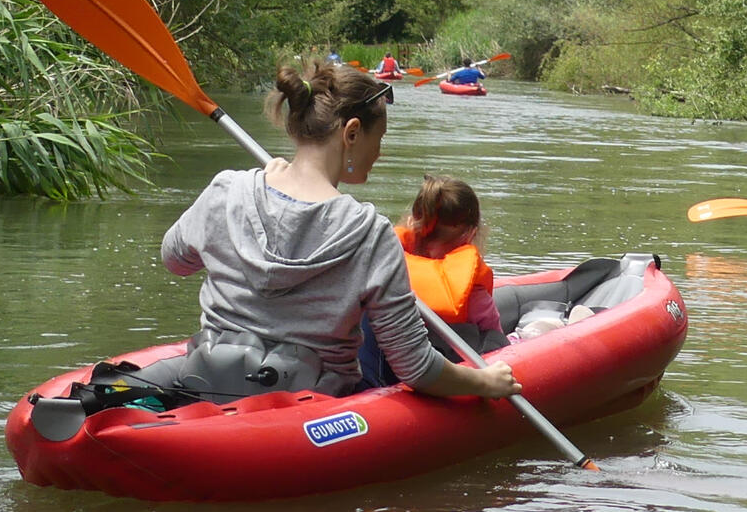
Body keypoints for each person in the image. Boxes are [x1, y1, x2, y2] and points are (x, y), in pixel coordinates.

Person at [157, 61, 520, 401]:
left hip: (213, 378)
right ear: (352, 132)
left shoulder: (226, 190)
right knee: (378, 320)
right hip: (318, 402)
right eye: (379, 139)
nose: (379, 154)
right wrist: (485, 382)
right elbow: (416, 367)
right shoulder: (370, 235)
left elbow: (175, 261)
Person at [396, 174, 503, 349]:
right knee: (496, 338)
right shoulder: (474, 295)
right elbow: (497, 337)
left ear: (412, 222)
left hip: (391, 360)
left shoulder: (387, 269)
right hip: (449, 363)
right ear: (471, 234)